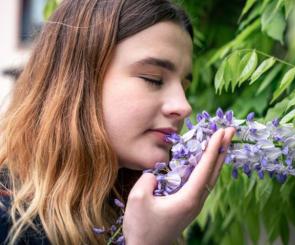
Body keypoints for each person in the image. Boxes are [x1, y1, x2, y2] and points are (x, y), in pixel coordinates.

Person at [0, 0, 235, 244]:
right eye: (153, 79)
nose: (184, 107)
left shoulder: (131, 213)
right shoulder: (8, 220)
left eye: (185, 87)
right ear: (79, 82)